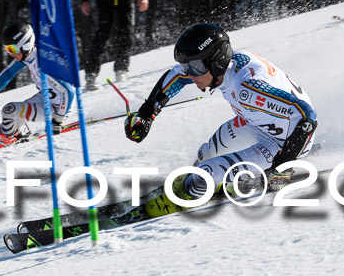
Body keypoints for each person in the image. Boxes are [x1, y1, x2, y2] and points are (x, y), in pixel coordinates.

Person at [124, 23, 318, 217]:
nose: (190, 73)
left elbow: (306, 116)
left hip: (283, 143)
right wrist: (147, 114)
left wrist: (283, 166)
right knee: (204, 155)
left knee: (206, 172)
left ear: (216, 61)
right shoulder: (225, 67)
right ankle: (200, 180)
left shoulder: (247, 89)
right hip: (255, 123)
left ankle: (188, 196)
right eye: (187, 65)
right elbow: (177, 76)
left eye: (195, 66)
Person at [0, 21, 75, 154]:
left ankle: (6, 142)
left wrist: (58, 120)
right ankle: (17, 134)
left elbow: (68, 91)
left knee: (9, 110)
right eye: (7, 49)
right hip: (47, 99)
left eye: (12, 49)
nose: (9, 54)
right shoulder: (30, 56)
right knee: (15, 118)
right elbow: (9, 72)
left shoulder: (41, 66)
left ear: (25, 45)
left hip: (58, 107)